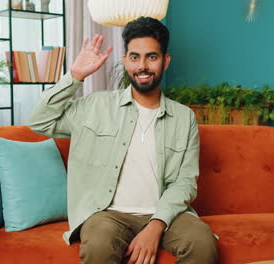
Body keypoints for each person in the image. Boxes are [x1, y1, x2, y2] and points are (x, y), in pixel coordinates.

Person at [29, 16, 218, 264]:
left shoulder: (184, 118)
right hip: (107, 215)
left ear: (165, 61)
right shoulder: (95, 106)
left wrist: (156, 225)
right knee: (99, 246)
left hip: (165, 214)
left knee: (203, 244)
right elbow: (39, 121)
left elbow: (186, 182)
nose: (143, 66)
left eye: (152, 57)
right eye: (134, 57)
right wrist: (74, 76)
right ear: (125, 60)